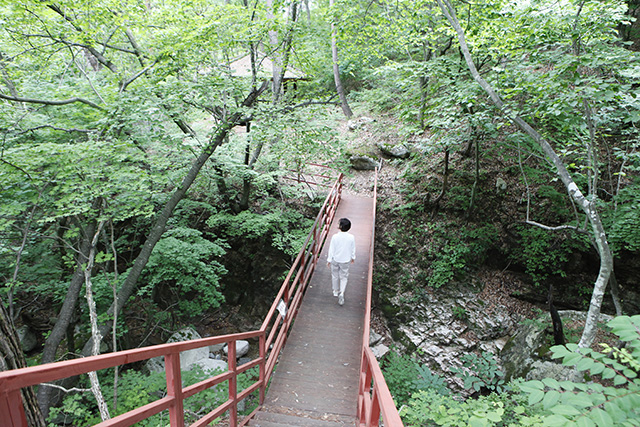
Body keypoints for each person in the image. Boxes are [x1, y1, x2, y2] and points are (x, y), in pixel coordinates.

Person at [327, 218, 355, 306]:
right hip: (345, 260)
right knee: (344, 277)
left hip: (336, 259)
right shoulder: (351, 237)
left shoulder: (335, 237)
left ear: (341, 226)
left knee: (335, 275)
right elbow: (352, 248)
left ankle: (335, 291)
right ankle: (342, 293)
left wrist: (329, 260)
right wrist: (353, 257)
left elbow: (331, 249)